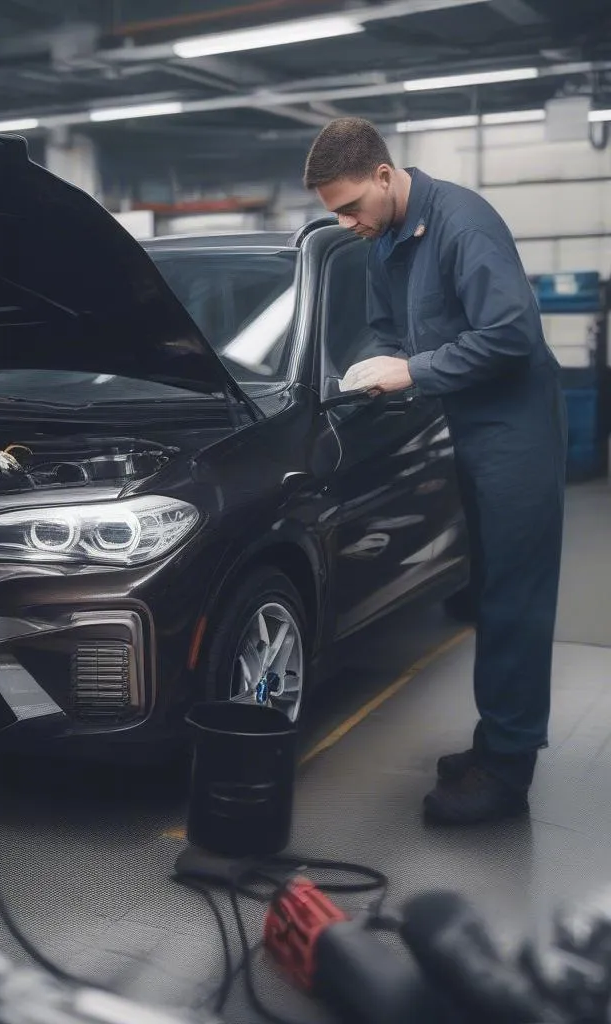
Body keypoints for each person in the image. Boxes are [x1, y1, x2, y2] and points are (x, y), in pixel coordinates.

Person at [303, 117, 567, 826]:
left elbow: (511, 335)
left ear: (385, 176)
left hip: (517, 432)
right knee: (489, 590)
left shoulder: (464, 224)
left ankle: (507, 772)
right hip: (468, 425)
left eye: (352, 205)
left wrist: (412, 370)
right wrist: (371, 366)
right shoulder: (385, 237)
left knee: (515, 597)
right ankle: (494, 740)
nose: (347, 221)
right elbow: (389, 329)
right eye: (335, 213)